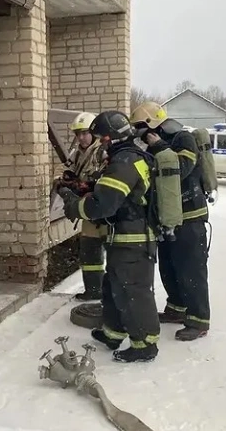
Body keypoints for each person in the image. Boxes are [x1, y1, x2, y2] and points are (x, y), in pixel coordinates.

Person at [58, 110, 161, 363]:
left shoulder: (125, 162)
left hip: (133, 238)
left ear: (111, 138)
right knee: (114, 287)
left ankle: (145, 344)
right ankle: (113, 333)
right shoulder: (125, 159)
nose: (100, 145)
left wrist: (73, 204)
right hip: (123, 236)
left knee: (133, 291)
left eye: (101, 139)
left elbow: (103, 205)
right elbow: (112, 192)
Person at [129, 102, 212, 341]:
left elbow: (183, 168)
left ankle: (198, 320)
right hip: (167, 217)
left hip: (190, 218)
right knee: (168, 266)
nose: (139, 134)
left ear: (151, 124)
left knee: (191, 269)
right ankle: (176, 308)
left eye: (140, 128)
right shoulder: (154, 144)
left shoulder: (182, 138)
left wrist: (160, 147)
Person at [57, 112, 108, 301]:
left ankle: (114, 293)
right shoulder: (76, 153)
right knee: (89, 252)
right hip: (87, 211)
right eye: (78, 133)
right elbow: (63, 172)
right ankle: (93, 290)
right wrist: (65, 183)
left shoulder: (103, 151)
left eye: (85, 133)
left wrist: (90, 185)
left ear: (94, 133)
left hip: (105, 211)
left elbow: (108, 179)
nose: (81, 137)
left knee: (116, 255)